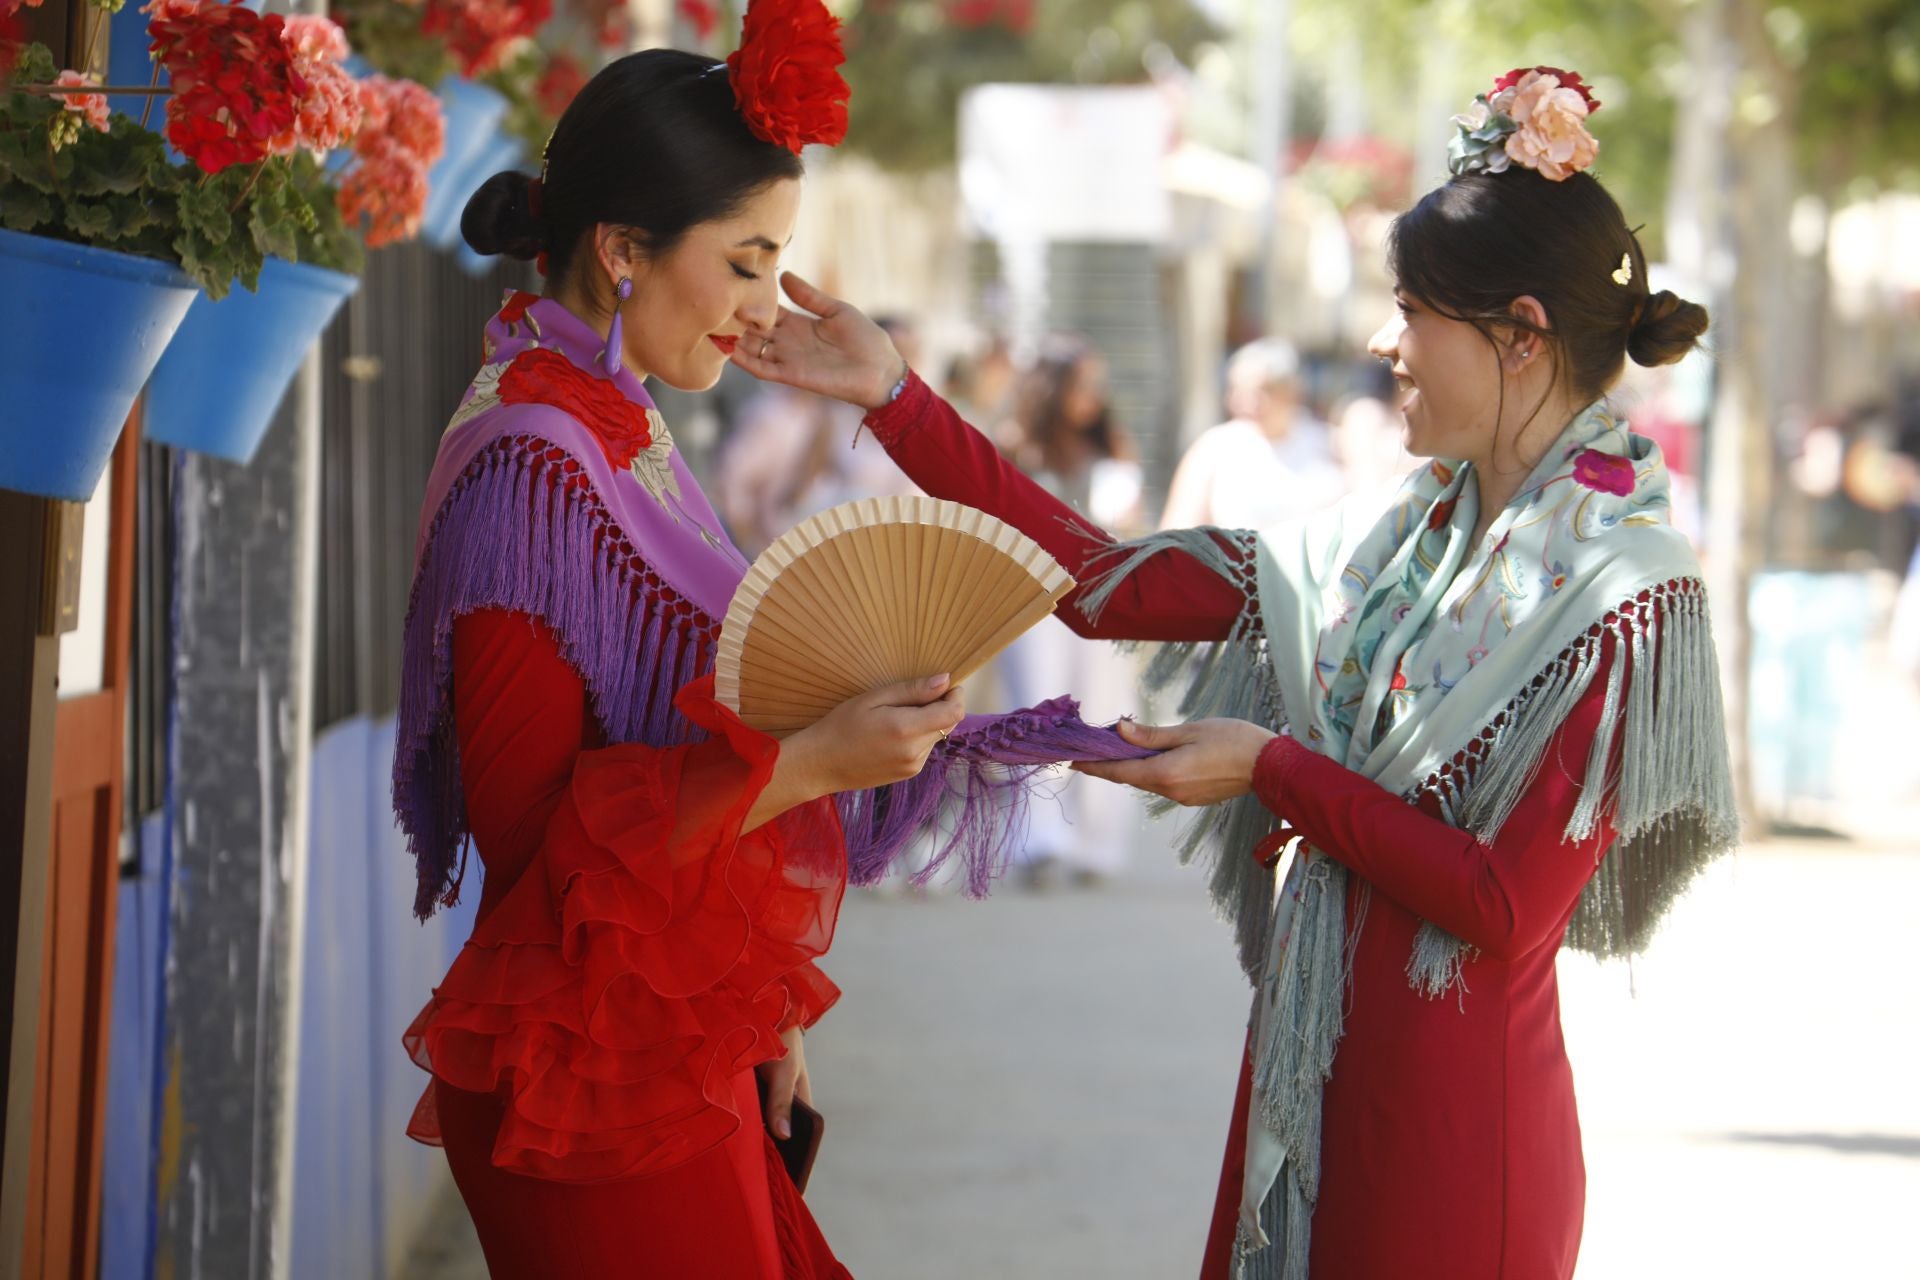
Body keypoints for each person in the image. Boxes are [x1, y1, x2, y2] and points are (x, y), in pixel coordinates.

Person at [732, 65, 1738, 1280]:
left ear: (1520, 335)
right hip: (1311, 1082)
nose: (1383, 343)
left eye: (1412, 310)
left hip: (1459, 1147)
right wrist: (895, 398)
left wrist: (1273, 766)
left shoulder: (1624, 591)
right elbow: (1107, 584)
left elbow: (1505, 908)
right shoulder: (1401, 540)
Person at [388, 20, 971, 1278]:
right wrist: (810, 762)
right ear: (621, 250)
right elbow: (532, 843)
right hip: (582, 1082)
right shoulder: (534, 466)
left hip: (659, 1037)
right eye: (747, 262)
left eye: (778, 264)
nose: (765, 307)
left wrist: (753, 1001)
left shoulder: (614, 422)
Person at [1160, 338, 1346, 531]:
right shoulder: (1213, 449)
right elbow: (1179, 530)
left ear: (1292, 391)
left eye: (1261, 392)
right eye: (1238, 391)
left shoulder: (1328, 442)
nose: (1247, 403)